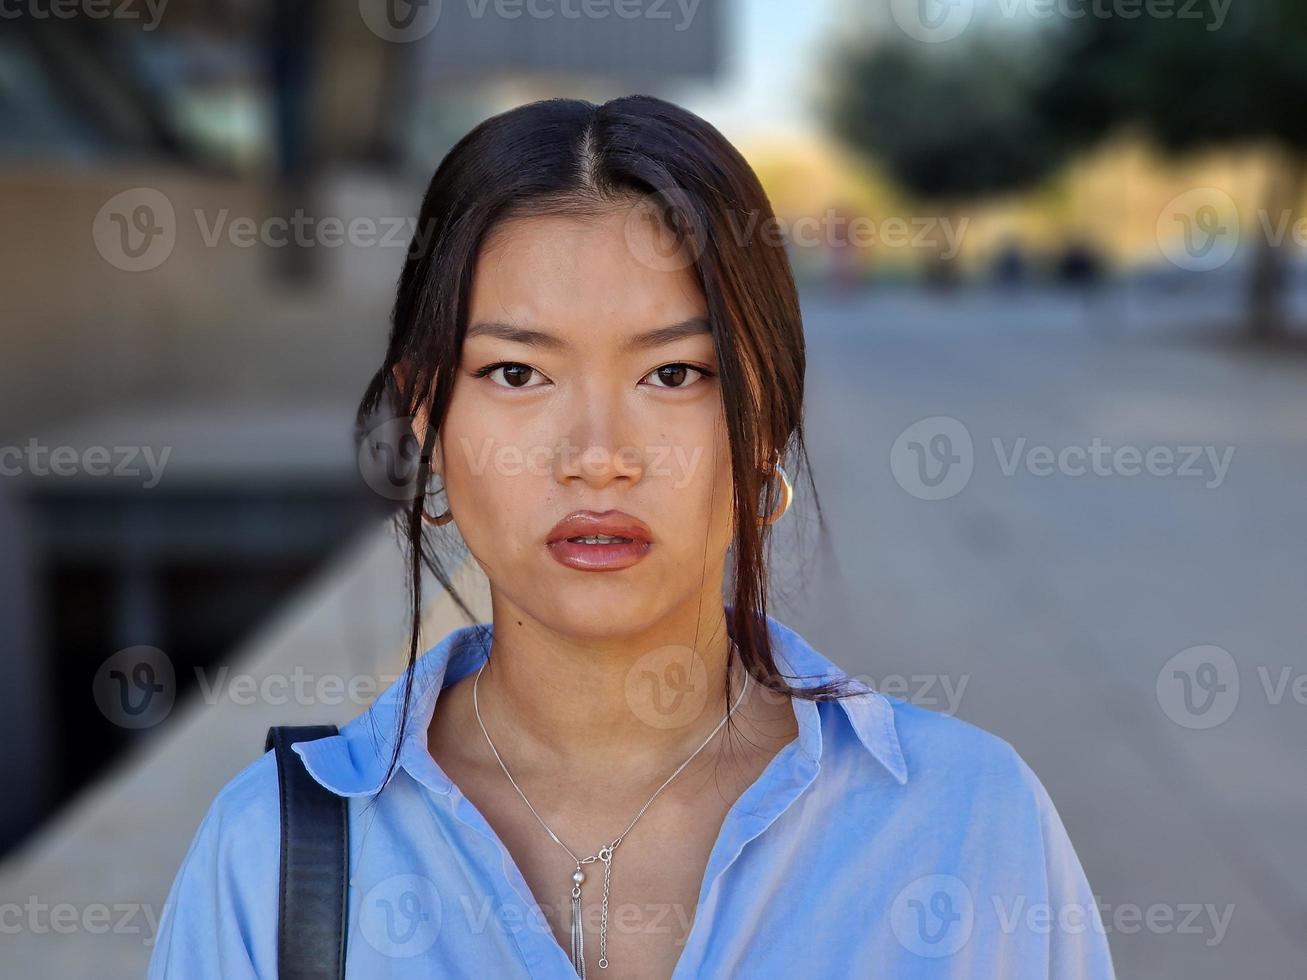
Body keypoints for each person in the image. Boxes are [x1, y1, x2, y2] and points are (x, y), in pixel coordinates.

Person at [147, 95, 1117, 979]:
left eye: (674, 374)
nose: (597, 456)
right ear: (425, 420)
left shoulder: (966, 820)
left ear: (765, 416)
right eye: (517, 374)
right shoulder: (274, 855)